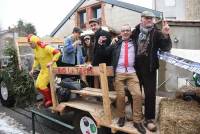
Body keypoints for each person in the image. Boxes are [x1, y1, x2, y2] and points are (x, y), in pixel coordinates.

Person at [131, 11, 172, 131]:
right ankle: (136, 116)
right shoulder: (136, 31)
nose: (149, 20)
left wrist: (166, 35)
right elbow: (127, 41)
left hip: (150, 69)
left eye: (151, 18)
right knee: (135, 94)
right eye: (147, 18)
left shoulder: (156, 33)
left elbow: (166, 47)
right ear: (141, 19)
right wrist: (117, 39)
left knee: (150, 95)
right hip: (135, 68)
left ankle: (149, 119)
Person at [107, 24, 146, 134]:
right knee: (120, 96)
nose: (125, 32)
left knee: (137, 94)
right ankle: (122, 117)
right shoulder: (116, 44)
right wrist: (105, 44)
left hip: (131, 72)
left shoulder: (135, 43)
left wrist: (141, 23)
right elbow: (104, 53)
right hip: (119, 72)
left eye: (127, 30)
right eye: (123, 30)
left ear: (130, 32)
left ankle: (137, 121)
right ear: (120, 33)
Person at [28, 34, 61, 107]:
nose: (30, 45)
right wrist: (33, 69)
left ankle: (51, 100)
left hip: (51, 69)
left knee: (42, 85)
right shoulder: (36, 50)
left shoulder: (45, 47)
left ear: (35, 41)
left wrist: (52, 62)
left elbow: (58, 52)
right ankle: (47, 98)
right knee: (37, 85)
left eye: (30, 43)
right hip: (43, 70)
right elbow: (36, 60)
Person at [89, 18, 112, 88]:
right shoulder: (96, 35)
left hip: (105, 64)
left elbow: (101, 52)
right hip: (101, 64)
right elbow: (97, 51)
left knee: (107, 85)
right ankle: (102, 98)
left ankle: (108, 99)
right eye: (91, 26)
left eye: (94, 25)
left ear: (99, 24)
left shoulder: (103, 33)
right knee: (102, 84)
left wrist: (92, 64)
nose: (93, 27)